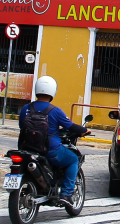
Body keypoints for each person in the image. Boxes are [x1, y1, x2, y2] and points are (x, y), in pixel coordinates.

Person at [19, 76, 89, 205]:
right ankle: (66, 194)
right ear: (52, 92)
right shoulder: (55, 111)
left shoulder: (26, 108)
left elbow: (21, 126)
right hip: (50, 150)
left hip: (27, 148)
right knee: (73, 159)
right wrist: (84, 130)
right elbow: (70, 126)